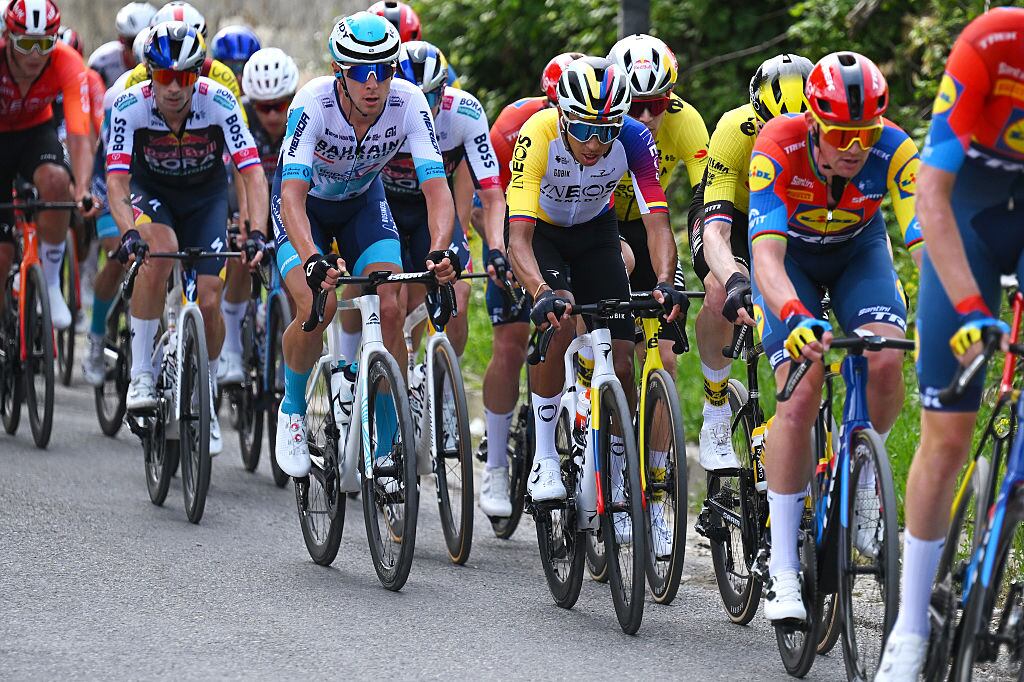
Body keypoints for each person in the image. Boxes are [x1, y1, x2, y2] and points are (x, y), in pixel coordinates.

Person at [748, 51, 922, 623]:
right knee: (799, 393)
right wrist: (794, 316)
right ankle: (781, 569)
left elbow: (928, 240)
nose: (855, 147)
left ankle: (865, 478)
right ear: (817, 124)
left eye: (865, 133)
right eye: (843, 134)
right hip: (791, 262)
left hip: (858, 254)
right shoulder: (778, 142)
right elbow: (766, 258)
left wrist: (957, 310)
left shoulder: (895, 150)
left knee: (886, 357)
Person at [876, 8, 1024, 679]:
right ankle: (909, 625)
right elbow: (930, 194)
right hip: (964, 215)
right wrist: (970, 306)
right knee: (949, 434)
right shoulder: (992, 41)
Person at [271, 12, 456, 479]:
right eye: (358, 71)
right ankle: (292, 408)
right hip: (305, 207)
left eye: (383, 71)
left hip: (361, 204)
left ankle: (386, 438)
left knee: (390, 302)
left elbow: (438, 189)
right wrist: (313, 258)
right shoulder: (311, 104)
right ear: (339, 72)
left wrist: (438, 249)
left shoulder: (410, 103)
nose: (372, 84)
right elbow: (291, 195)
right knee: (319, 304)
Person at [505, 56, 686, 514]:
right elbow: (518, 239)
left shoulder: (634, 138)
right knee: (561, 319)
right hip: (542, 234)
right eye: (585, 129)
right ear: (564, 117)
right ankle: (545, 455)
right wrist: (539, 290)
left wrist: (666, 281)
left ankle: (620, 473)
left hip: (596, 232)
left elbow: (658, 223)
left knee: (623, 361)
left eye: (607, 131)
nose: (595, 143)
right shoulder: (539, 133)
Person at [106, 21, 268, 457]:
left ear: (197, 76)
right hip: (151, 193)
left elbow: (251, 173)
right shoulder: (129, 106)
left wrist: (255, 232)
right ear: (150, 74)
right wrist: (128, 234)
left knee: (210, 300)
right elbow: (117, 183)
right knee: (156, 255)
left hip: (205, 199)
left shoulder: (220, 102)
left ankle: (206, 395)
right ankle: (141, 372)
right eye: (163, 76)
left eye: (183, 77)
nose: (174, 87)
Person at [690, 53, 813, 471]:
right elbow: (716, 234)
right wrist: (733, 277)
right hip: (732, 213)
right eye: (774, 129)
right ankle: (717, 408)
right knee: (718, 290)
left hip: (786, 213)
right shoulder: (734, 128)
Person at [472, 51, 582, 518]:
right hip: (513, 235)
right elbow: (486, 202)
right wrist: (497, 252)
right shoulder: (514, 123)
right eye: (558, 107)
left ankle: (566, 441)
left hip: (563, 240)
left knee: (572, 329)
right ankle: (496, 463)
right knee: (511, 343)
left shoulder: (598, 132)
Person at [607, 34, 708, 372]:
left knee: (664, 359)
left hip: (651, 225)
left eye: (658, 104)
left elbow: (708, 194)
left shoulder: (686, 120)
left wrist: (709, 256)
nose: (648, 116)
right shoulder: (600, 121)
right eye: (636, 106)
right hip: (601, 223)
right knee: (616, 355)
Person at [0, 0, 94, 327]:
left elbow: (81, 133)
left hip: (34, 132)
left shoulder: (67, 61)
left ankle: (52, 284)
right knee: (1, 257)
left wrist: (81, 187)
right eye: (26, 44)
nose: (35, 54)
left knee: (58, 184)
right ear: (7, 37)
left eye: (44, 44)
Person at [87, 1, 156, 87]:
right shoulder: (101, 63)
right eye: (132, 42)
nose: (140, 48)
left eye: (148, 42)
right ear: (121, 40)